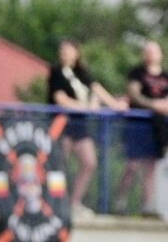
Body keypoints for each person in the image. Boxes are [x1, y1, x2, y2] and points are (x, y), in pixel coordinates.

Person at [47, 38, 124, 212]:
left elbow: (96, 88)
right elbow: (61, 100)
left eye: (69, 50)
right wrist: (88, 107)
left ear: (76, 52)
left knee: (89, 162)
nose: (65, 53)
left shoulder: (81, 72)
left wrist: (114, 104)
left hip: (80, 124)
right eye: (63, 50)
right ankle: (54, 202)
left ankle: (75, 201)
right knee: (59, 164)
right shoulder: (56, 71)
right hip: (63, 123)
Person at [123, 40, 168, 214]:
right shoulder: (137, 73)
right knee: (133, 165)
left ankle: (147, 206)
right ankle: (120, 201)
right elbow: (134, 94)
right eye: (148, 52)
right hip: (138, 125)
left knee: (150, 167)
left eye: (154, 51)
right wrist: (153, 105)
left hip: (157, 127)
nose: (151, 55)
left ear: (160, 55)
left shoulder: (166, 76)